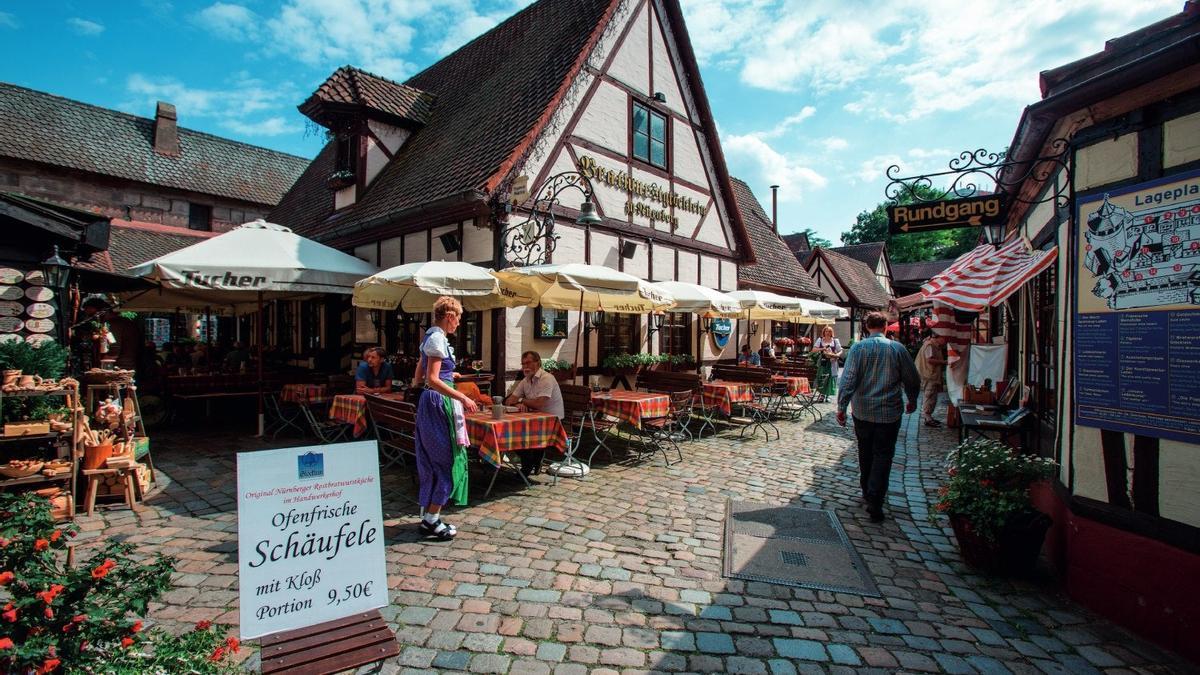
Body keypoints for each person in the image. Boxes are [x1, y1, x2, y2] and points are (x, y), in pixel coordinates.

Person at [836, 312, 920, 523]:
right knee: (883, 454)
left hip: (862, 410)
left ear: (866, 326)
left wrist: (841, 406)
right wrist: (912, 398)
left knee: (865, 451)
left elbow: (848, 379)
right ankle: (876, 498)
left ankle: (867, 490)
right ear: (885, 326)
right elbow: (912, 378)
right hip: (889, 412)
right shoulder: (897, 349)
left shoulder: (858, 348)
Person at [412, 297, 477, 540]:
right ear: (449, 316)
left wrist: (450, 373)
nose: (459, 323)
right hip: (438, 403)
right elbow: (432, 379)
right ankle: (431, 519)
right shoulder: (438, 338)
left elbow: (418, 378)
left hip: (429, 403)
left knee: (435, 459)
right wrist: (461, 396)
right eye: (458, 318)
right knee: (446, 459)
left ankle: (430, 515)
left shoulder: (429, 337)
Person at [505, 351, 565, 476]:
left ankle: (528, 465)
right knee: (509, 433)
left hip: (553, 423)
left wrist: (521, 400)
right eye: (523, 364)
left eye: (528, 363)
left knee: (516, 435)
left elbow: (539, 404)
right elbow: (509, 400)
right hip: (535, 421)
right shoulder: (526, 380)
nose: (525, 367)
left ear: (537, 363)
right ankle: (531, 462)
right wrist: (518, 404)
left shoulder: (547, 378)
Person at [915, 332, 948, 427]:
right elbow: (929, 360)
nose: (945, 341)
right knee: (929, 395)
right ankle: (927, 417)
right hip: (928, 374)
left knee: (932, 395)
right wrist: (944, 362)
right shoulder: (930, 345)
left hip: (931, 374)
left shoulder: (934, 345)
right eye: (944, 338)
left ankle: (929, 417)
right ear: (939, 337)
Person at [813, 325, 843, 399]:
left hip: (832, 362)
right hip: (823, 361)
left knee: (830, 377)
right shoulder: (820, 340)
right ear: (824, 332)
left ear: (831, 332)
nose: (828, 333)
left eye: (829, 331)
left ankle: (827, 394)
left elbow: (840, 350)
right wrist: (823, 348)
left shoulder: (835, 341)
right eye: (826, 331)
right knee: (822, 376)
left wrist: (837, 355)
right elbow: (814, 350)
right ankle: (822, 394)